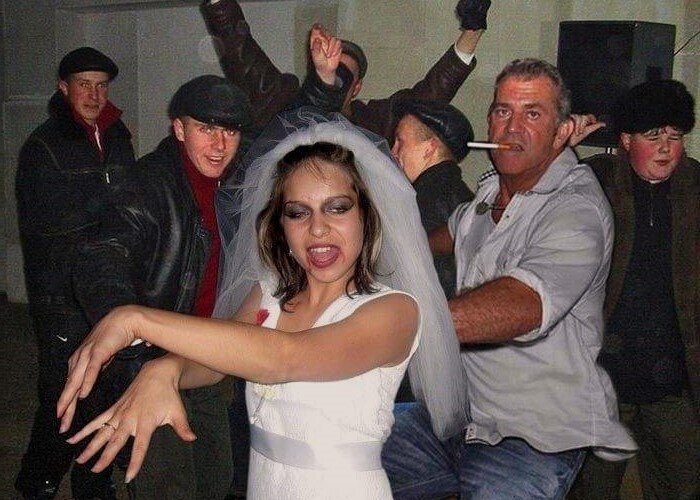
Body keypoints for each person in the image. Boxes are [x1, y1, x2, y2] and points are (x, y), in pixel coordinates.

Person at [56, 108, 467, 499]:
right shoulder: (270, 290)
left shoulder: (393, 311)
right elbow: (219, 361)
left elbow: (283, 358)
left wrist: (136, 319)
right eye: (298, 213)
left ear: (367, 216)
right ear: (281, 225)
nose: (318, 228)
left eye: (337, 208)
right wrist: (167, 369)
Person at [382, 58, 637, 499]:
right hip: (458, 416)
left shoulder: (576, 208)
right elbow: (448, 235)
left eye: (532, 114)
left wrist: (395, 323)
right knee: (343, 453)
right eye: (503, 111)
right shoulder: (491, 190)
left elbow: (523, 304)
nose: (512, 126)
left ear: (562, 131)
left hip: (533, 436)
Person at [65, 75, 251, 499]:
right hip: (152, 360)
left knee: (215, 477)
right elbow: (103, 255)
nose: (220, 144)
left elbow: (289, 127)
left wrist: (325, 85)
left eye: (230, 131)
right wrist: (125, 323)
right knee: (167, 485)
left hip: (210, 355)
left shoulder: (236, 178)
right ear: (179, 129)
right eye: (206, 128)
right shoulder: (145, 185)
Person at [569, 80, 700, 500]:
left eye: (675, 137)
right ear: (626, 140)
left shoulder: (696, 188)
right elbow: (533, 198)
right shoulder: (596, 180)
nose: (665, 147)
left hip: (674, 380)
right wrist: (560, 149)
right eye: (653, 136)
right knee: (593, 490)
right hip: (605, 378)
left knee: (684, 486)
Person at [14, 46, 135, 500]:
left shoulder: (117, 135)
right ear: (63, 88)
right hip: (60, 290)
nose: (94, 95)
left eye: (101, 86)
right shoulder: (44, 145)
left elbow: (132, 197)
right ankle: (44, 480)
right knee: (66, 391)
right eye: (84, 85)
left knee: (99, 386)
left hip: (108, 284)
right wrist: (111, 209)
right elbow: (46, 221)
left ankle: (85, 481)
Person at [200, 0, 489, 141]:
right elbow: (239, 48)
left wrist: (473, 29)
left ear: (357, 87)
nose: (332, 75)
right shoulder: (280, 100)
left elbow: (431, 94)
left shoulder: (374, 121)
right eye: (327, 68)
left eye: (343, 76)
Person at [392, 100, 475, 298]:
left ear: (430, 148)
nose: (393, 151)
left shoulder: (426, 200)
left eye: (400, 142)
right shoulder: (460, 195)